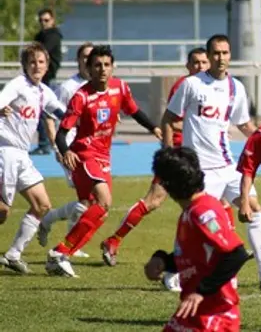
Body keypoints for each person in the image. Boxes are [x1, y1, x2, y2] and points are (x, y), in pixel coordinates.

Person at [162, 34, 261, 290]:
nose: (221, 58)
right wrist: (168, 158)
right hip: (200, 170)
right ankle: (172, 271)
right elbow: (167, 119)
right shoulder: (191, 84)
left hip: (227, 165)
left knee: (253, 208)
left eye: (225, 53)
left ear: (230, 56)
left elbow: (243, 123)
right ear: (208, 57)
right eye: (216, 53)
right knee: (197, 223)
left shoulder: (236, 88)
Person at [44, 45, 162, 277]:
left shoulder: (120, 88)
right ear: (88, 68)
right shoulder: (81, 96)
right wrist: (66, 151)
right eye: (97, 65)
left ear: (113, 67)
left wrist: (154, 127)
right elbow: (61, 132)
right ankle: (60, 252)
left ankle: (60, 255)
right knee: (104, 200)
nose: (102, 70)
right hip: (84, 154)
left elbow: (135, 111)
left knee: (100, 211)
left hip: (104, 155)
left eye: (106, 65)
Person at [99, 47, 210, 273]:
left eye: (204, 62)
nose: (200, 66)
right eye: (196, 62)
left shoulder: (211, 88)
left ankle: (220, 252)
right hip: (179, 154)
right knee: (153, 201)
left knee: (209, 204)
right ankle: (114, 240)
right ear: (188, 66)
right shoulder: (184, 86)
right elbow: (172, 121)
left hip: (202, 155)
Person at [144, 146, 251, 332]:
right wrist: (162, 260)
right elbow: (196, 258)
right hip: (193, 312)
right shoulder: (191, 211)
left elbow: (236, 253)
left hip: (215, 315)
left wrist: (201, 292)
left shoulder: (203, 212)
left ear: (169, 185)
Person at [0, 43, 65, 274]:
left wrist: (87, 118)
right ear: (25, 65)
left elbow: (62, 113)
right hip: (5, 151)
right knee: (2, 213)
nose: (36, 66)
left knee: (42, 205)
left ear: (47, 66)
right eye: (32, 62)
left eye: (41, 62)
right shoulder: (18, 85)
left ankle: (13, 254)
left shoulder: (43, 91)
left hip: (22, 156)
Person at [36, 42, 94, 259]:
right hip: (70, 148)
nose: (89, 61)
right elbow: (50, 117)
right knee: (88, 199)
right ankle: (53, 225)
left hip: (91, 149)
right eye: (85, 57)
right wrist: (56, 146)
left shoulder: (97, 87)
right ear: (78, 61)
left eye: (92, 57)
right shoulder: (68, 87)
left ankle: (67, 237)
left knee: (87, 200)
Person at [31, 8, 64, 155]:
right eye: (41, 20)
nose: (43, 23)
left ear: (52, 20)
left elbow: (41, 52)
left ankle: (47, 143)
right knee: (39, 112)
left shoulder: (53, 36)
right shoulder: (40, 36)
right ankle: (45, 142)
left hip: (48, 79)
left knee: (47, 112)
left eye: (46, 20)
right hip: (38, 79)